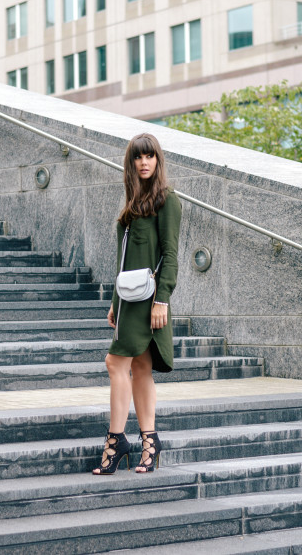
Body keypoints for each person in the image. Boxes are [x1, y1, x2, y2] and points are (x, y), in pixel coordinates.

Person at [92, 133, 181, 475]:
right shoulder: (131, 206)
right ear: (130, 164)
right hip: (129, 300)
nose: (144, 163)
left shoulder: (167, 201)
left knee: (115, 363)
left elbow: (170, 256)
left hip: (151, 300)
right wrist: (115, 303)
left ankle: (115, 442)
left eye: (150, 157)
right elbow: (123, 262)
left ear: (158, 161)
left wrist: (163, 300)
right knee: (139, 367)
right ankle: (149, 441)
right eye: (138, 158)